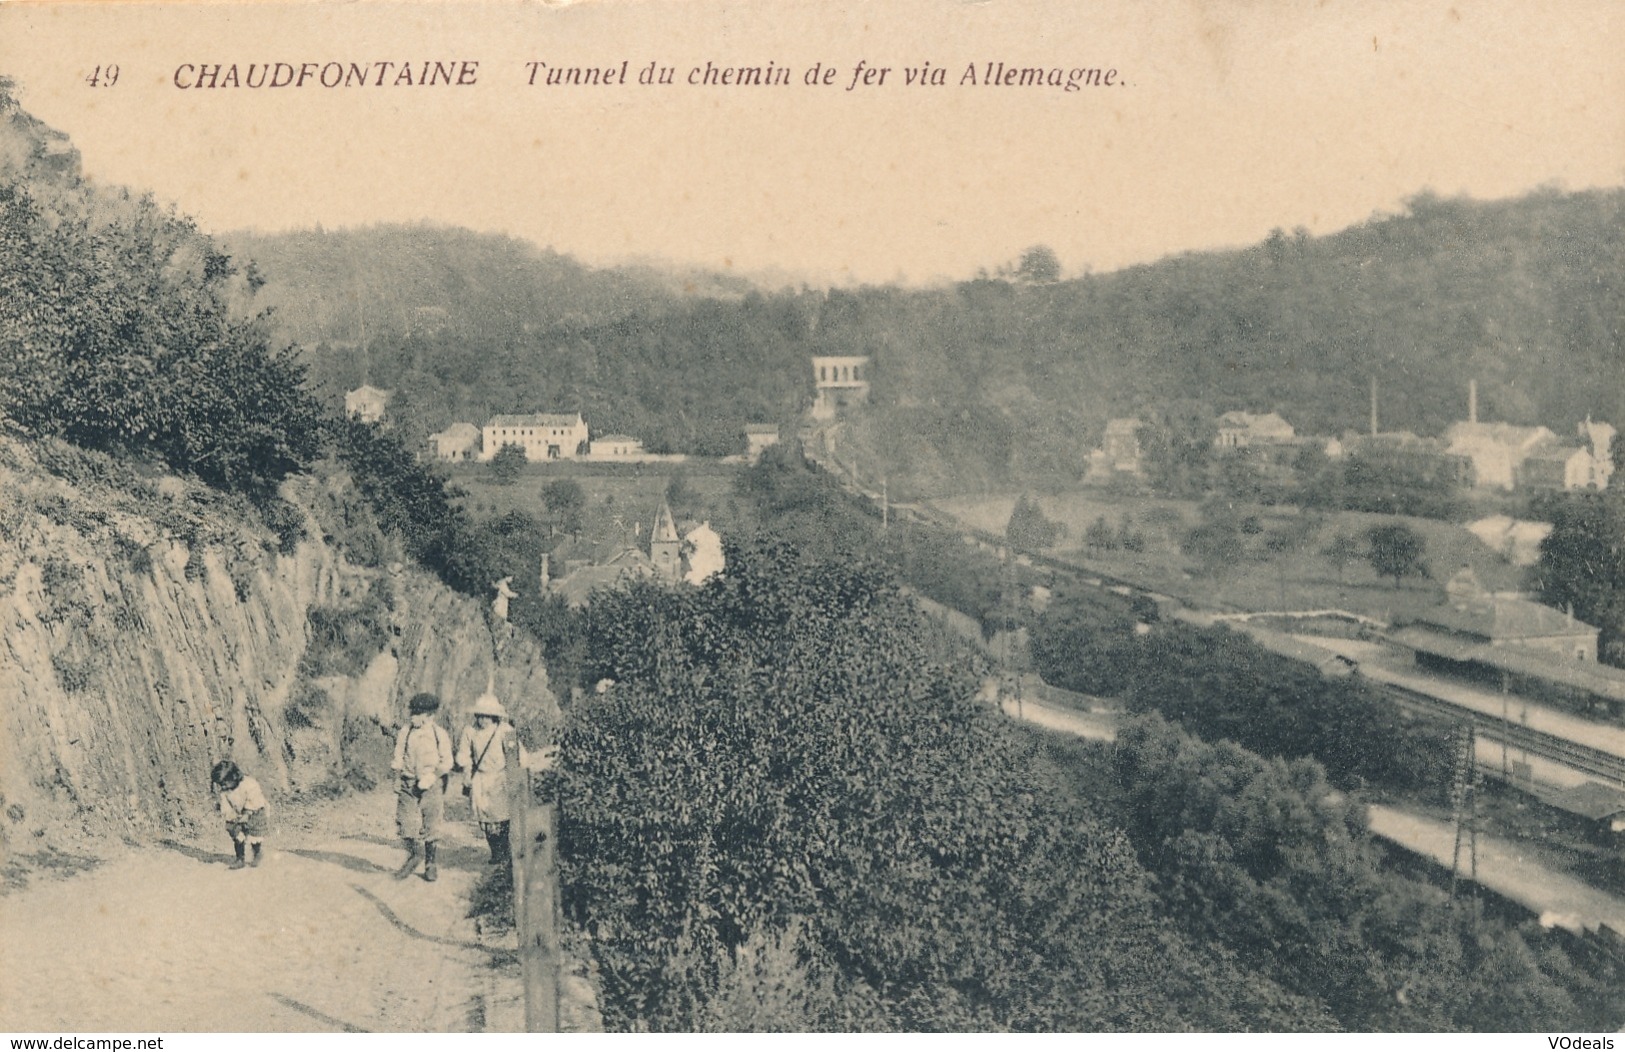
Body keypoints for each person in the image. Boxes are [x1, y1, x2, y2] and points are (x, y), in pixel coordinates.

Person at [391, 692, 455, 882]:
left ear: (429, 716)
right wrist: (396, 778)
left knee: (431, 823)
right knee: (405, 821)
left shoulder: (439, 734)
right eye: (412, 713)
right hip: (408, 782)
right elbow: (398, 756)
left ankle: (430, 863)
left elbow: (447, 761)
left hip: (431, 785)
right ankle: (413, 855)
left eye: (418, 714)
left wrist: (432, 776)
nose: (413, 717)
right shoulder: (406, 731)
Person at [456, 694, 523, 868]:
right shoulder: (470, 732)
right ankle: (495, 852)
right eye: (480, 715)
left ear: (494, 716)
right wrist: (466, 774)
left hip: (500, 778)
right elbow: (464, 755)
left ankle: (504, 852)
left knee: (501, 816)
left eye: (487, 716)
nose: (483, 720)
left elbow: (516, 756)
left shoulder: (504, 731)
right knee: (484, 817)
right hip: (480, 778)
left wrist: (515, 778)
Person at [210, 760, 269, 870]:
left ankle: (257, 853)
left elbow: (254, 799)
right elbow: (226, 804)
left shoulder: (249, 784)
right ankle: (240, 858)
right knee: (237, 835)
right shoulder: (225, 790)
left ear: (234, 776)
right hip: (237, 812)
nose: (223, 786)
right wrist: (229, 814)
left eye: (225, 783)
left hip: (254, 811)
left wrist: (247, 813)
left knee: (254, 835)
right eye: (221, 784)